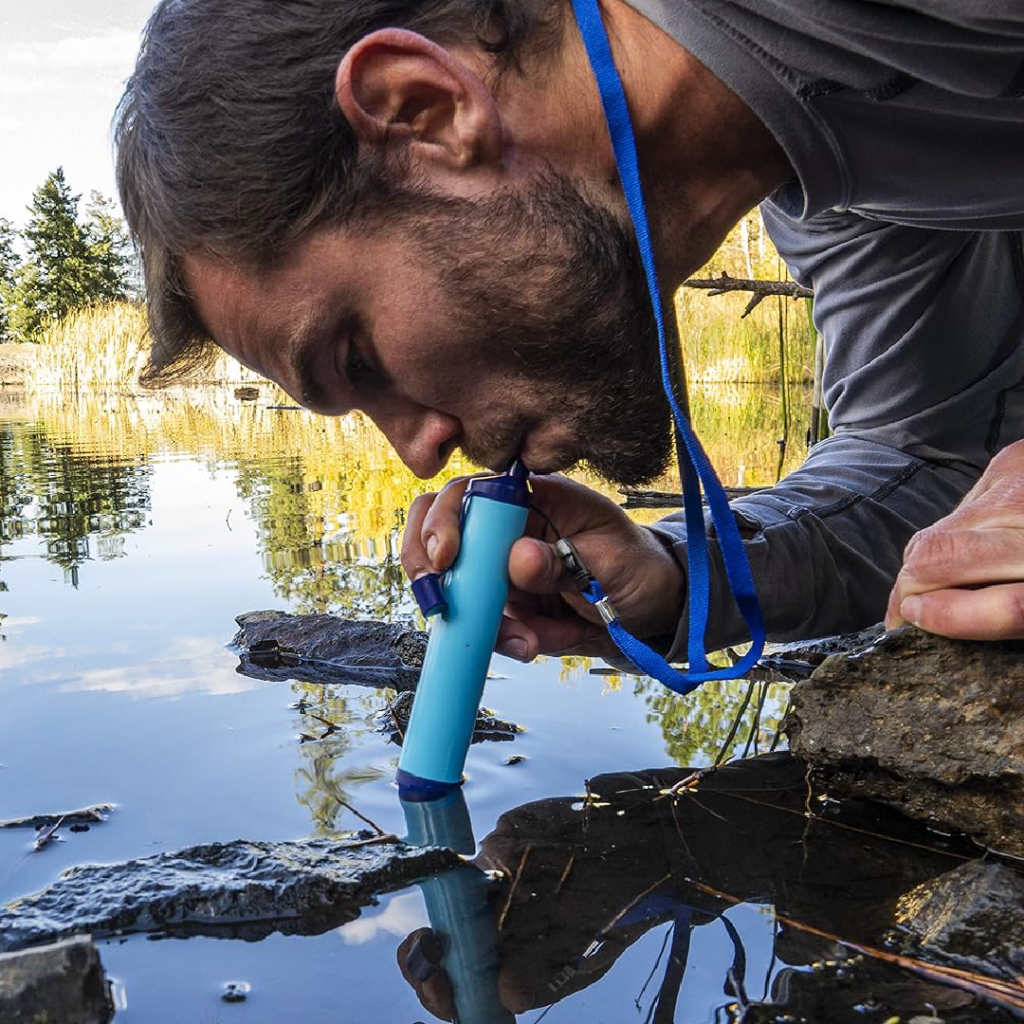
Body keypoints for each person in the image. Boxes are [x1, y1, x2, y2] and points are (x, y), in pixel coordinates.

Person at [114, 0, 1024, 660]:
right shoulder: (813, 182)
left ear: (423, 109)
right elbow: (934, 461)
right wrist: (669, 577)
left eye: (356, 358)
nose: (421, 456)